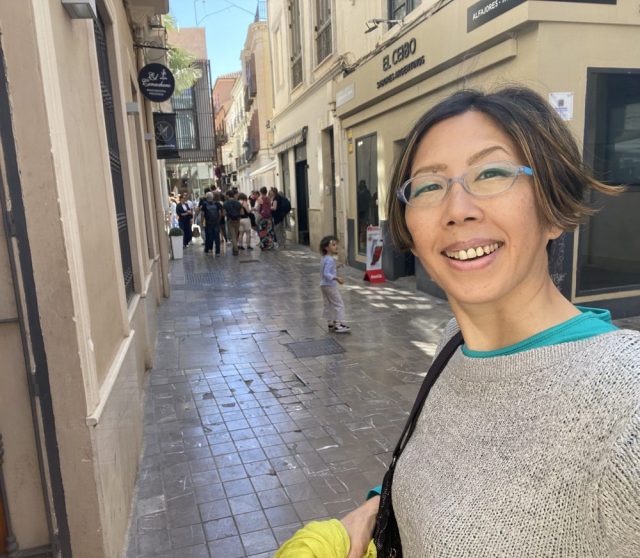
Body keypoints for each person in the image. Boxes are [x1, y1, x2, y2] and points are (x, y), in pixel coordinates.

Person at [285, 86, 640, 557]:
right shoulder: (454, 344)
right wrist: (373, 511)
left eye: (492, 173)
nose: (457, 210)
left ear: (554, 210)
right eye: (429, 186)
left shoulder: (626, 407)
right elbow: (443, 475)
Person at [319, 235, 350, 333]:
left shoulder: (324, 258)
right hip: (330, 285)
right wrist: (337, 278)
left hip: (323, 285)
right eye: (333, 244)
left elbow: (326, 270)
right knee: (339, 304)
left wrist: (337, 266)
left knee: (328, 304)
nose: (336, 246)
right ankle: (338, 325)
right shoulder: (330, 259)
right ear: (326, 248)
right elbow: (326, 273)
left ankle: (330, 322)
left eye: (336, 244)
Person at [223, 190, 243, 256]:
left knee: (233, 236)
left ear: (228, 195)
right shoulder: (238, 203)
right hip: (237, 220)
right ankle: (234, 248)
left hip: (230, 220)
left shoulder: (225, 203)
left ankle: (236, 249)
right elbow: (242, 212)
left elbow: (224, 213)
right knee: (235, 235)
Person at [201, 191, 221, 256]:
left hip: (208, 223)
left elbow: (202, 214)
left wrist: (202, 222)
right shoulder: (217, 204)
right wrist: (218, 220)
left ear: (206, 197)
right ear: (213, 197)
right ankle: (217, 252)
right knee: (217, 237)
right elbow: (220, 213)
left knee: (208, 237)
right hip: (216, 222)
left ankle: (207, 250)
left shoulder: (204, 204)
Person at [255, 186, 275, 250]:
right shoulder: (269, 198)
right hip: (269, 217)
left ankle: (264, 246)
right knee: (269, 232)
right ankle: (270, 246)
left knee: (263, 232)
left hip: (262, 217)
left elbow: (258, 208)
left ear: (261, 192)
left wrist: (256, 210)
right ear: (266, 191)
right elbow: (270, 207)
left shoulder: (260, 198)